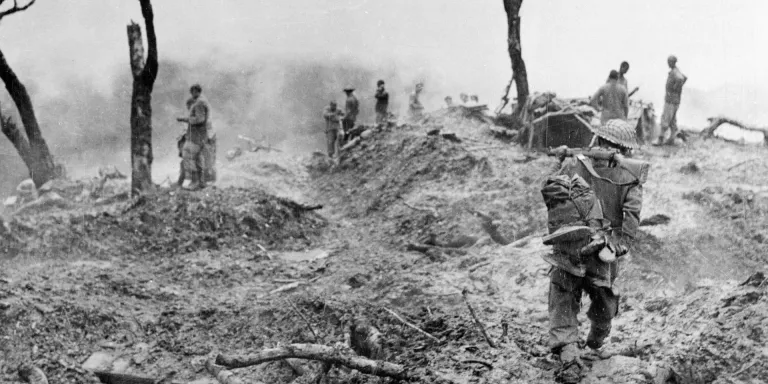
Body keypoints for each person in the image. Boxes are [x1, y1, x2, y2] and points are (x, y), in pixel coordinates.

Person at [547, 120, 647, 383]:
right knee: (601, 295)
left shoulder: (576, 163)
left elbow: (551, 193)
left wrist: (558, 163)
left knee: (565, 291)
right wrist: (621, 243)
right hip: (604, 244)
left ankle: (570, 343)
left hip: (575, 240)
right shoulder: (631, 175)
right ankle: (591, 341)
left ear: (599, 142)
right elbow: (632, 215)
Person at [176, 83, 211, 190]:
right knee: (198, 158)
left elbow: (200, 119)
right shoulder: (201, 102)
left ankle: (195, 181)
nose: (191, 94)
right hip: (200, 135)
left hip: (196, 136)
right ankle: (201, 182)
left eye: (192, 92)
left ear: (196, 91)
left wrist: (186, 119)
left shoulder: (199, 103)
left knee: (188, 154)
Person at [658, 55, 687, 146]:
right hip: (675, 101)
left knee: (665, 119)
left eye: (669, 62)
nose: (668, 63)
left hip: (670, 101)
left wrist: (675, 89)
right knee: (672, 121)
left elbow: (681, 79)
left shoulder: (675, 72)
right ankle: (672, 139)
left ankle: (660, 139)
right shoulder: (676, 71)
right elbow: (684, 78)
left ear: (672, 62)